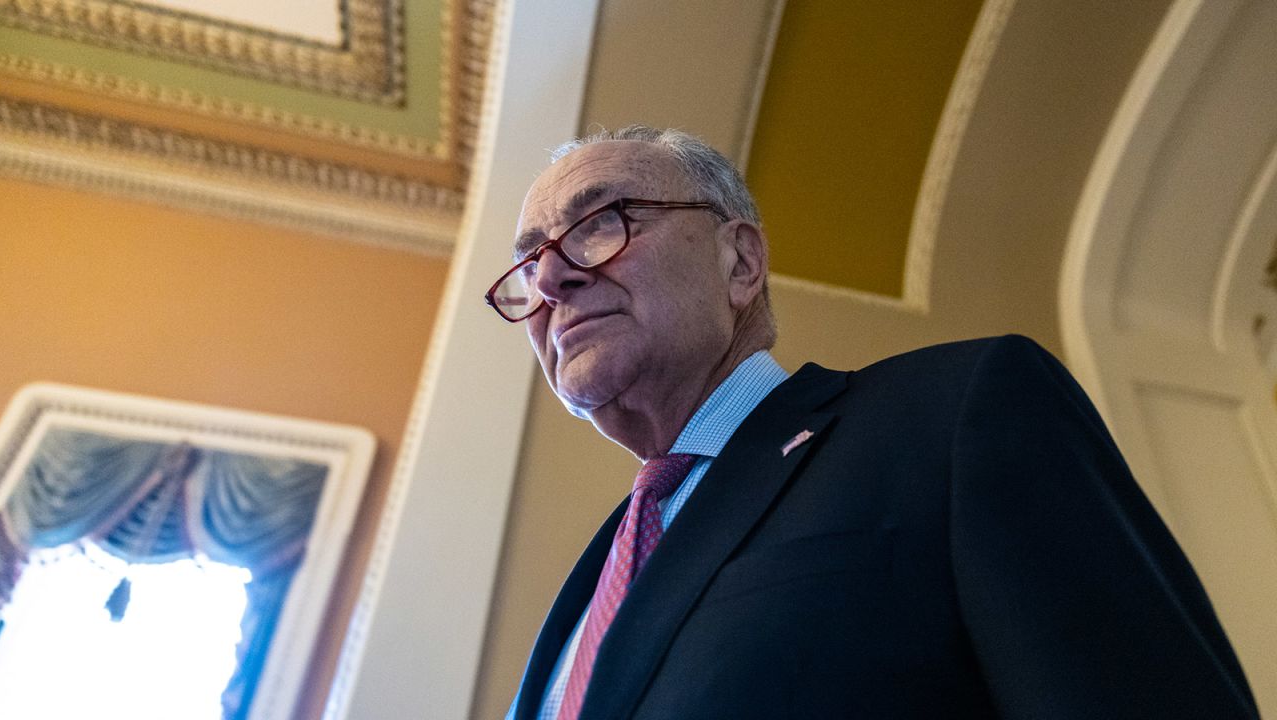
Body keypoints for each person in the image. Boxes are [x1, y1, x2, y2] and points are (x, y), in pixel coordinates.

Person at [487, 126, 1258, 720]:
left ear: (741, 264)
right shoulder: (597, 577)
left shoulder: (954, 415)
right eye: (530, 263)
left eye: (603, 220)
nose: (552, 276)